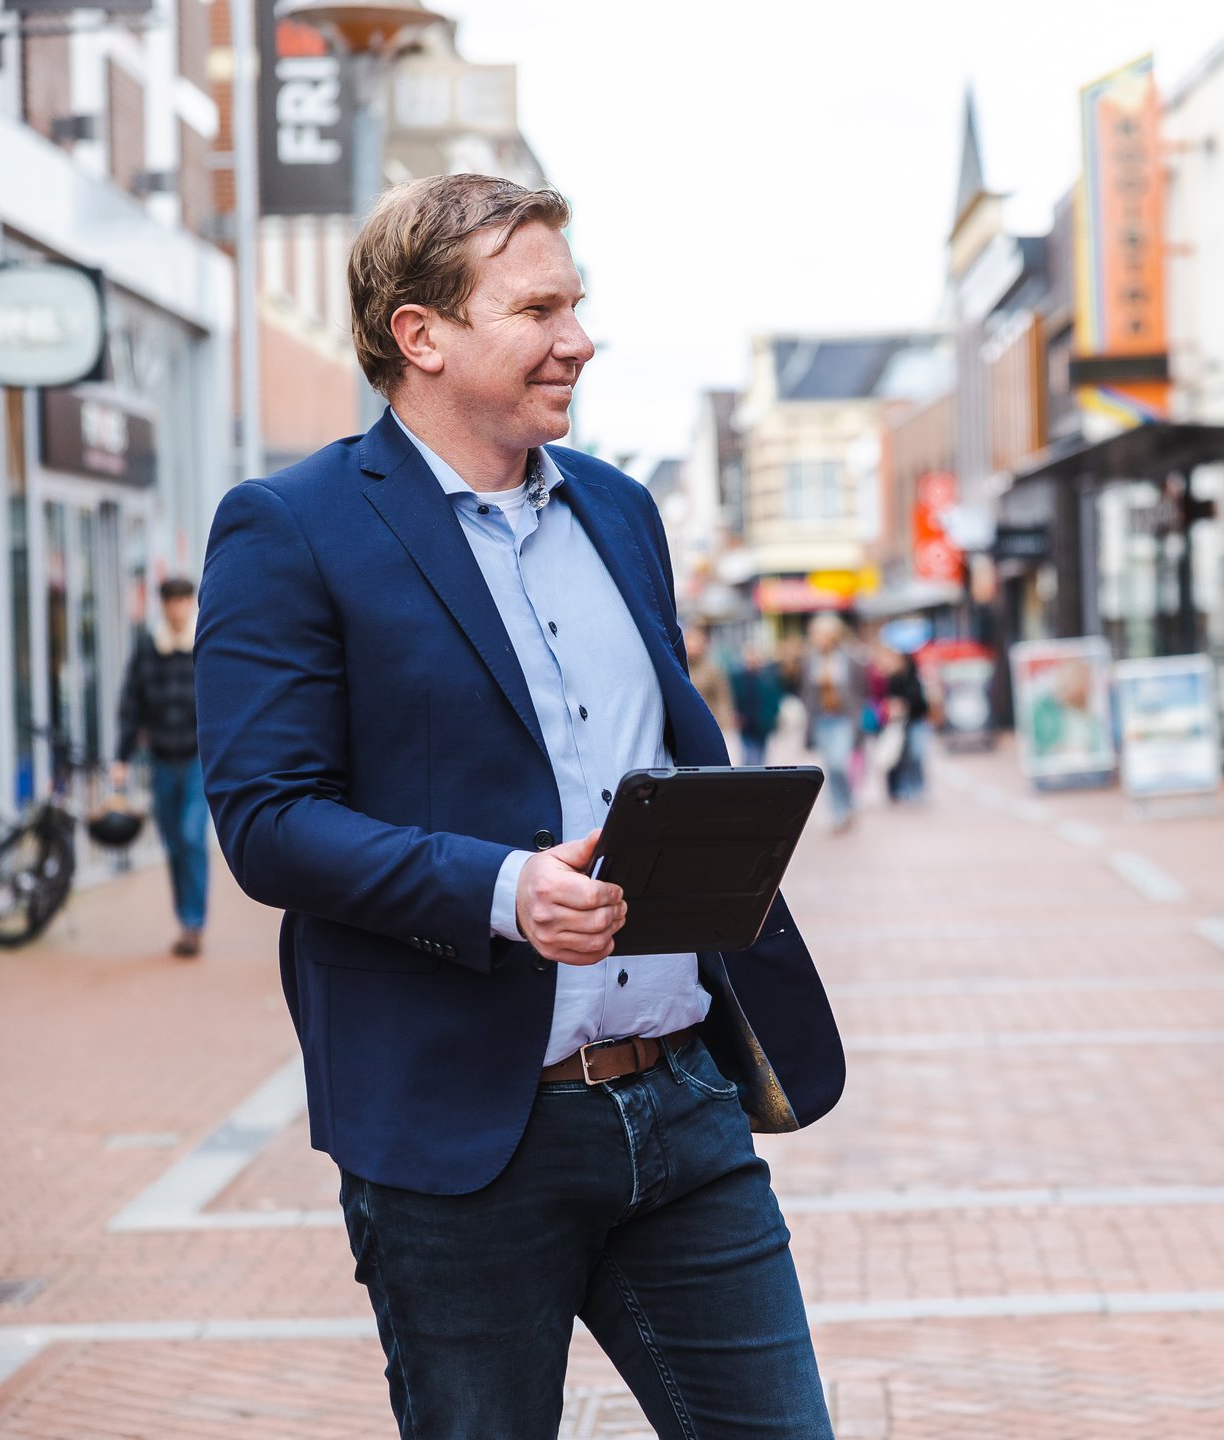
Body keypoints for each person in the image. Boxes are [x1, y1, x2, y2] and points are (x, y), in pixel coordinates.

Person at [195, 173, 842, 1440]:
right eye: (538, 308)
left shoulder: (618, 507)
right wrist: (503, 891)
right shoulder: (290, 528)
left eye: (578, 303)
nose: (579, 339)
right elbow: (267, 819)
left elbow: (658, 751)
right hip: (465, 1135)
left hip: (682, 1106)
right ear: (419, 335)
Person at [112, 576, 207, 957]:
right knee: (171, 842)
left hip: (200, 759)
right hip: (162, 761)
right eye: (171, 601)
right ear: (164, 605)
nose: (177, 608)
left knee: (191, 836)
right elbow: (131, 705)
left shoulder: (205, 643)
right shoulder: (147, 649)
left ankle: (194, 923)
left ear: (190, 603)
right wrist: (121, 757)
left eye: (183, 600)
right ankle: (185, 919)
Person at [800, 613, 863, 832]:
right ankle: (838, 813)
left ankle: (846, 806)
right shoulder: (810, 661)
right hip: (821, 720)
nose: (816, 638)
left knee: (839, 764)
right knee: (829, 768)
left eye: (820, 634)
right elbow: (807, 694)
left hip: (843, 719)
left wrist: (859, 723)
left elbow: (860, 691)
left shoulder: (850, 659)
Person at [882, 648, 931, 803]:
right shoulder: (893, 677)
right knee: (900, 757)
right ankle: (902, 789)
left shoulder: (916, 675)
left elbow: (920, 699)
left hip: (916, 720)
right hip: (900, 723)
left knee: (916, 755)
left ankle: (917, 788)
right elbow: (889, 698)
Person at [730, 640, 784, 768]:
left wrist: (771, 717)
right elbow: (734, 699)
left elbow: (774, 699)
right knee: (749, 757)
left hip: (762, 724)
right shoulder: (738, 678)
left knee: (760, 757)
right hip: (747, 725)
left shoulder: (767, 678)